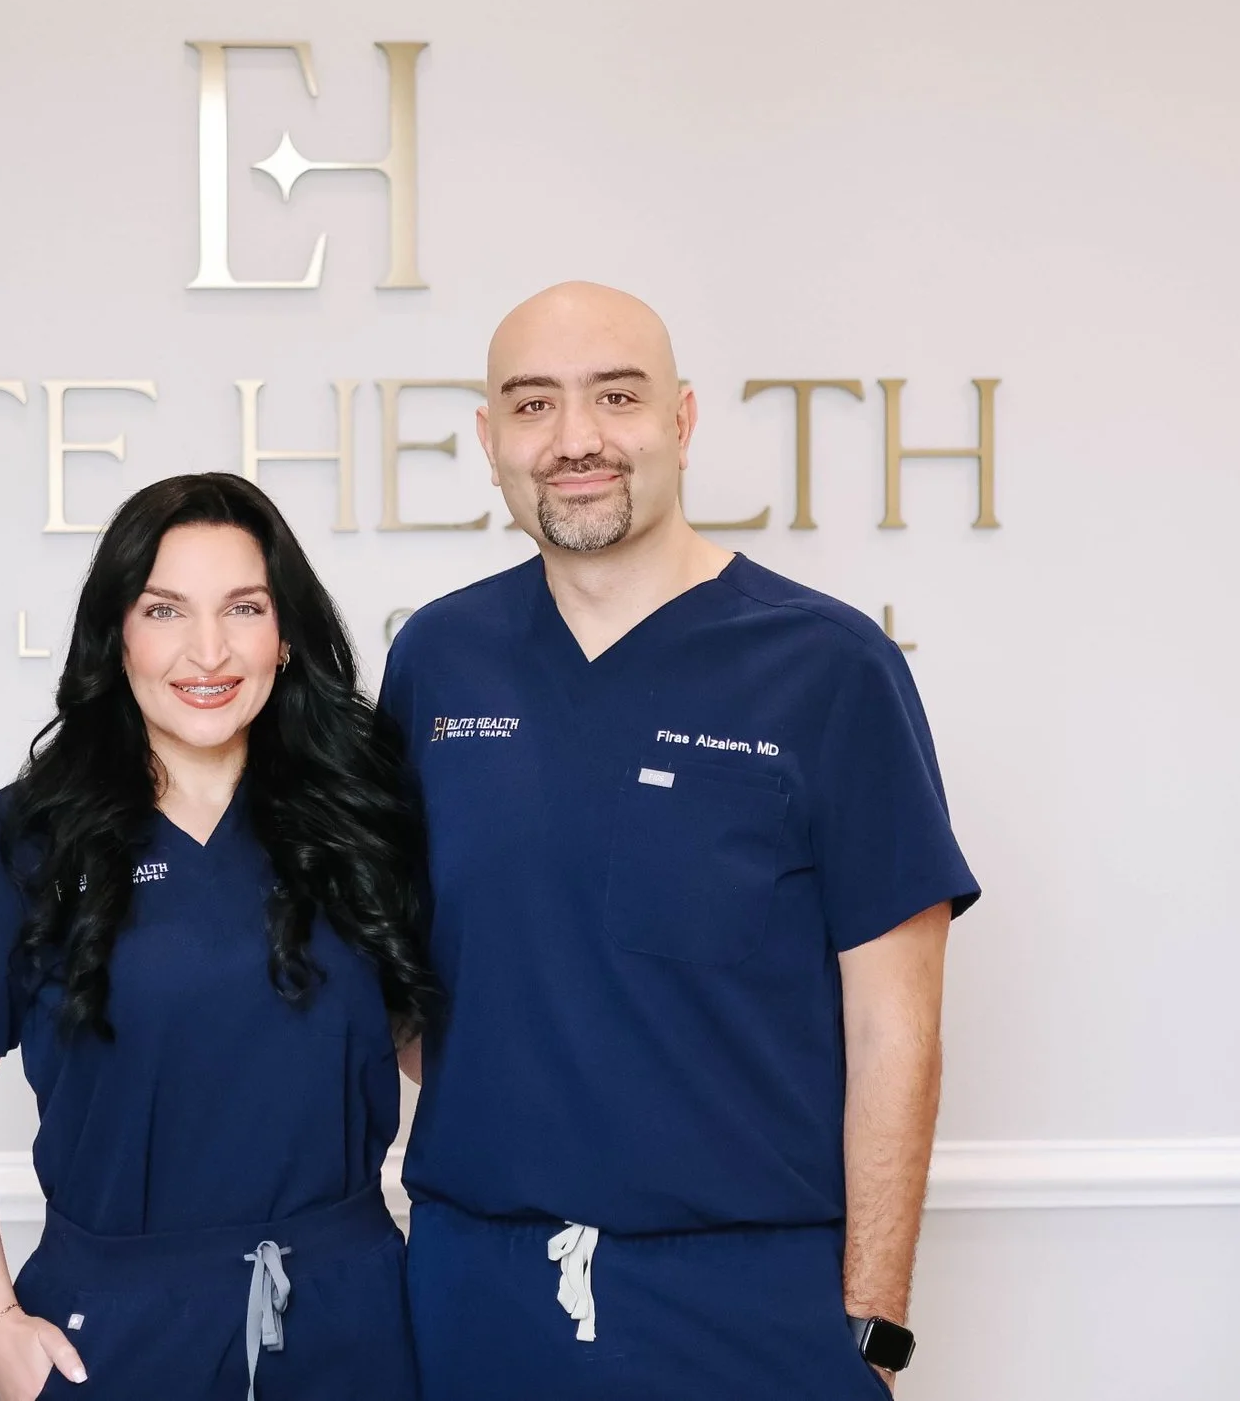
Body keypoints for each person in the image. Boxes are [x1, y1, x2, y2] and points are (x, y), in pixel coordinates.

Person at [379, 282, 981, 1400]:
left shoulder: (831, 668)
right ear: (487, 440)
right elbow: (404, 976)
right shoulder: (439, 661)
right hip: (476, 1290)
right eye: (532, 405)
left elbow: (898, 1028)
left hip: (749, 1301)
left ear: (682, 421)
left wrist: (875, 1326)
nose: (576, 440)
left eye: (616, 396)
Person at [0, 471, 437, 1401]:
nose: (208, 649)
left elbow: (440, 1052)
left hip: (354, 1321)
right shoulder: (22, 841)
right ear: (117, 634)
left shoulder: (364, 820)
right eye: (165, 610)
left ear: (287, 635)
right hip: (115, 1332)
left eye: (244, 606)